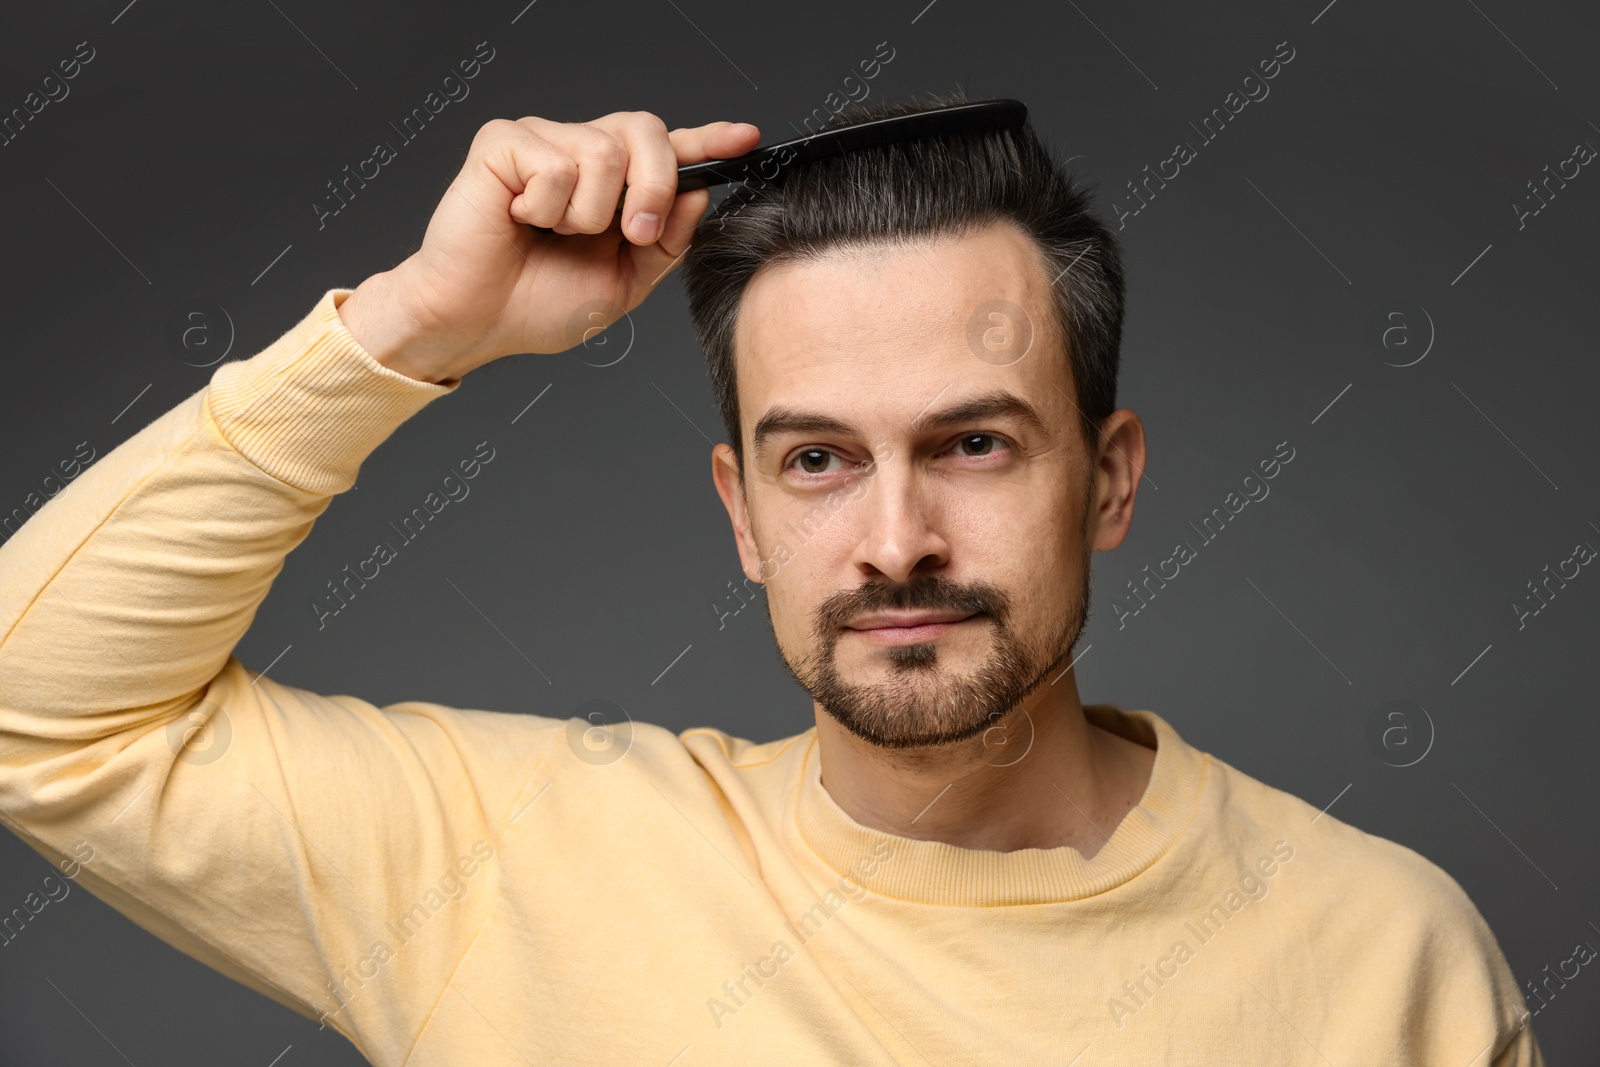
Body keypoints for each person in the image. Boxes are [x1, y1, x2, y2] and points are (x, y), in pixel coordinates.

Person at [0, 90, 1544, 1065]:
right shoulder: (502, 868)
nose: (894, 541)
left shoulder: (1384, 958)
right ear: (742, 513)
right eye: (818, 461)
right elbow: (37, 710)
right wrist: (412, 329)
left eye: (977, 446)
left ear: (1112, 481)